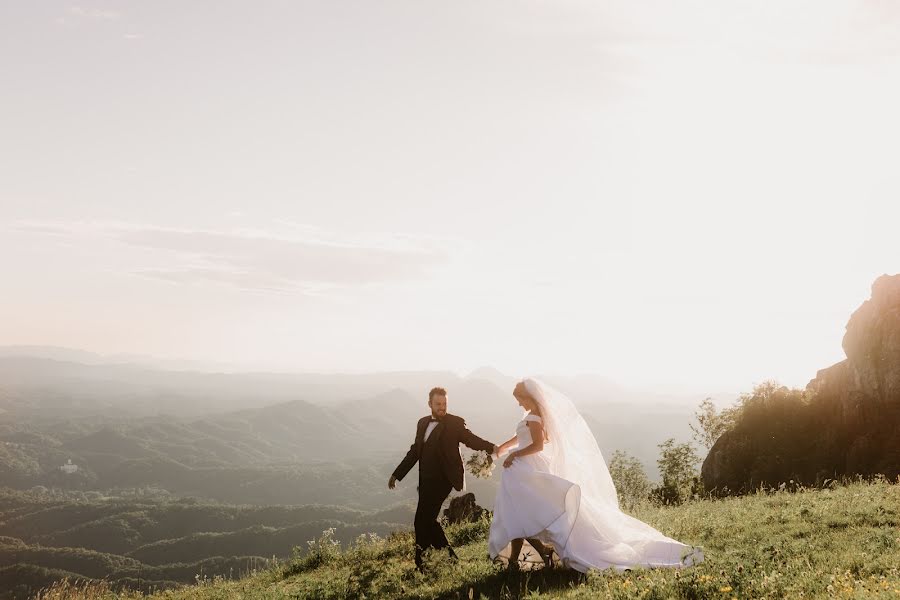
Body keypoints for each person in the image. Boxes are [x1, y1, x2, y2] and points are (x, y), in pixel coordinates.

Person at [489, 378, 704, 572]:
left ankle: (524, 559)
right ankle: (522, 559)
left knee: (521, 514)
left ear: (529, 397)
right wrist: (502, 448)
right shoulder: (530, 417)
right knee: (517, 514)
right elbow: (520, 436)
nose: (519, 404)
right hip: (520, 469)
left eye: (520, 399)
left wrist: (514, 455)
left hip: (529, 469)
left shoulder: (535, 417)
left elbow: (536, 445)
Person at [389, 387, 497, 571]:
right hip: (425, 480)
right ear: (430, 404)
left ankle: (423, 564)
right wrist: (397, 474)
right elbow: (415, 451)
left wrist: (491, 447)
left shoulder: (454, 423)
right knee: (427, 521)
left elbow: (470, 439)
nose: (442, 407)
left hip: (444, 480)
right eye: (438, 404)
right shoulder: (422, 423)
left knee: (423, 520)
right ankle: (445, 560)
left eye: (444, 404)